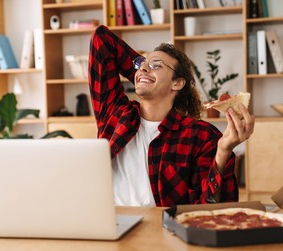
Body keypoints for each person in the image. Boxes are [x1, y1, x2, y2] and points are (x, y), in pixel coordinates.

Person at [88, 25, 254, 207]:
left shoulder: (201, 136)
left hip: (163, 229)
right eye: (140, 65)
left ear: (177, 83)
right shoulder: (114, 114)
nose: (142, 68)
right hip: (112, 224)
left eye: (156, 65)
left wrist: (223, 152)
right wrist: (146, 72)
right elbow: (101, 39)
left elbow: (210, 210)